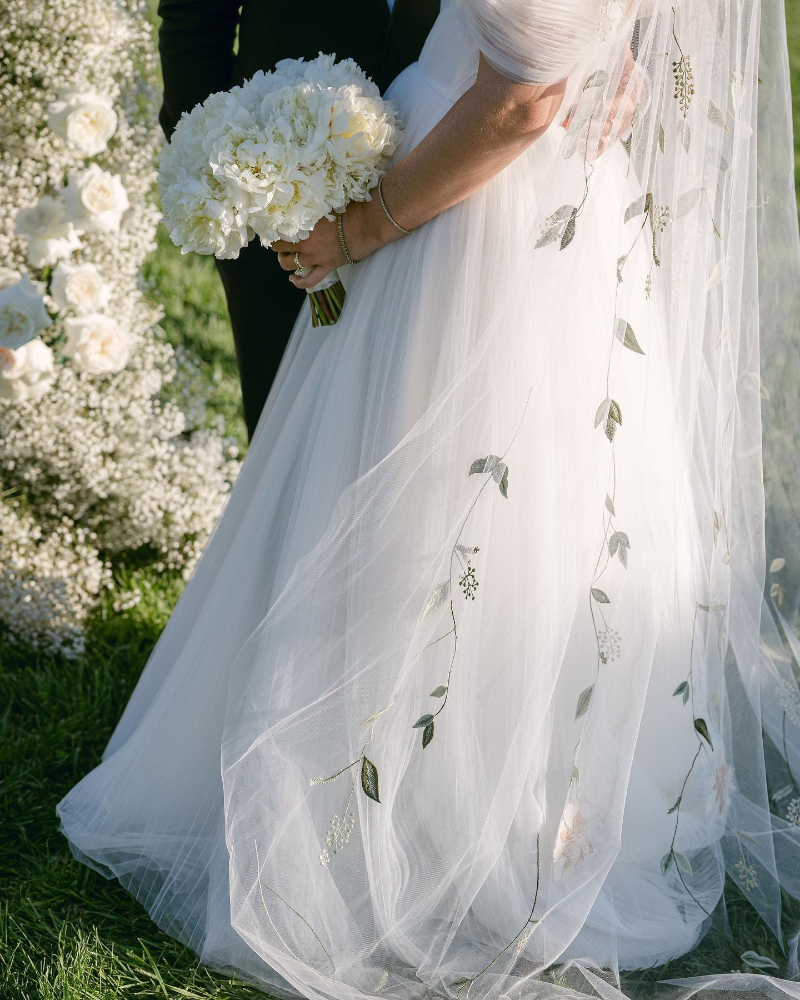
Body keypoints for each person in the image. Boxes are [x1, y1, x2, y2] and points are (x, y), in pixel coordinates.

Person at [58, 1, 800, 997]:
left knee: (432, 514)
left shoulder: (430, 185)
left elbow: (518, 104)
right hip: (499, 191)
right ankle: (470, 795)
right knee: (501, 513)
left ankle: (416, 826)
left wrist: (367, 223)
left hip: (476, 216)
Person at [157, 0, 440, 438]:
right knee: (285, 447)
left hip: (447, 202)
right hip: (272, 204)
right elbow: (193, 16)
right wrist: (223, 171)